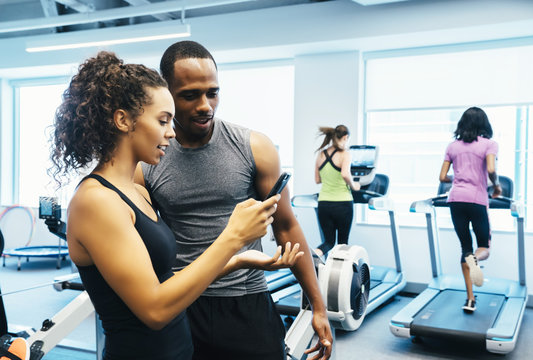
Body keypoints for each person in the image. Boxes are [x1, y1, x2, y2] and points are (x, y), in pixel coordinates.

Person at [50, 51, 303, 360]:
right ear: (123, 120)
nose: (171, 131)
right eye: (162, 120)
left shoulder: (135, 192)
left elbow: (165, 278)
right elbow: (155, 309)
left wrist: (237, 261)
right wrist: (232, 237)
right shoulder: (96, 200)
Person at [135, 40, 333, 359]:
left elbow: (286, 226)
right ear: (166, 94)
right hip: (184, 300)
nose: (205, 105)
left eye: (212, 92)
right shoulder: (147, 162)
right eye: (189, 95)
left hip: (247, 300)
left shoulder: (254, 146)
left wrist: (318, 306)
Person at [439, 106, 502, 313]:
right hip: (477, 199)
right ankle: (475, 258)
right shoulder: (489, 144)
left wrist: (457, 178)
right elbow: (491, 169)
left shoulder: (452, 146)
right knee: (484, 247)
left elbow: (442, 177)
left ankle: (470, 299)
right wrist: (497, 186)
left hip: (455, 199)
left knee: (465, 247)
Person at [314, 125, 360, 257]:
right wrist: (354, 186)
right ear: (345, 137)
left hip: (324, 204)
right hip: (343, 204)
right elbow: (345, 174)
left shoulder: (321, 154)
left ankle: (314, 256)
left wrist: (330, 178)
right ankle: (340, 276)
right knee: (342, 244)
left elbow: (317, 180)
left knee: (328, 242)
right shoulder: (345, 154)